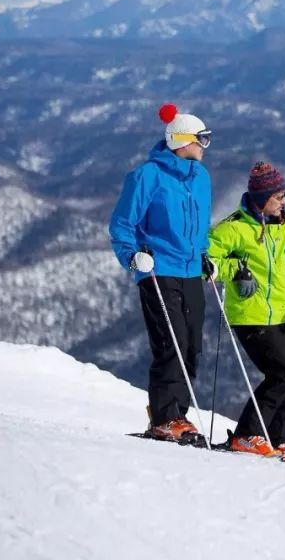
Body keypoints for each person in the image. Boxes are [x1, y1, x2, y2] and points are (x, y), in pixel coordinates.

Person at [109, 103, 213, 442]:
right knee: (172, 343)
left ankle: (177, 416)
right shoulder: (147, 176)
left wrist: (205, 256)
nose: (205, 145)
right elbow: (122, 224)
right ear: (182, 140)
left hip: (191, 271)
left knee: (192, 346)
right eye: (202, 139)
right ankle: (166, 418)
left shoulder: (201, 178)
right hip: (158, 269)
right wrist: (132, 257)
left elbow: (200, 227)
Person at [207, 161, 285, 464]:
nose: (284, 202)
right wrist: (236, 269)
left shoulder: (282, 224)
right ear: (261, 197)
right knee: (281, 374)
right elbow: (207, 261)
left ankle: (279, 440)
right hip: (250, 313)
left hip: (278, 313)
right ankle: (247, 434)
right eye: (278, 196)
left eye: (284, 195)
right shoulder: (234, 228)